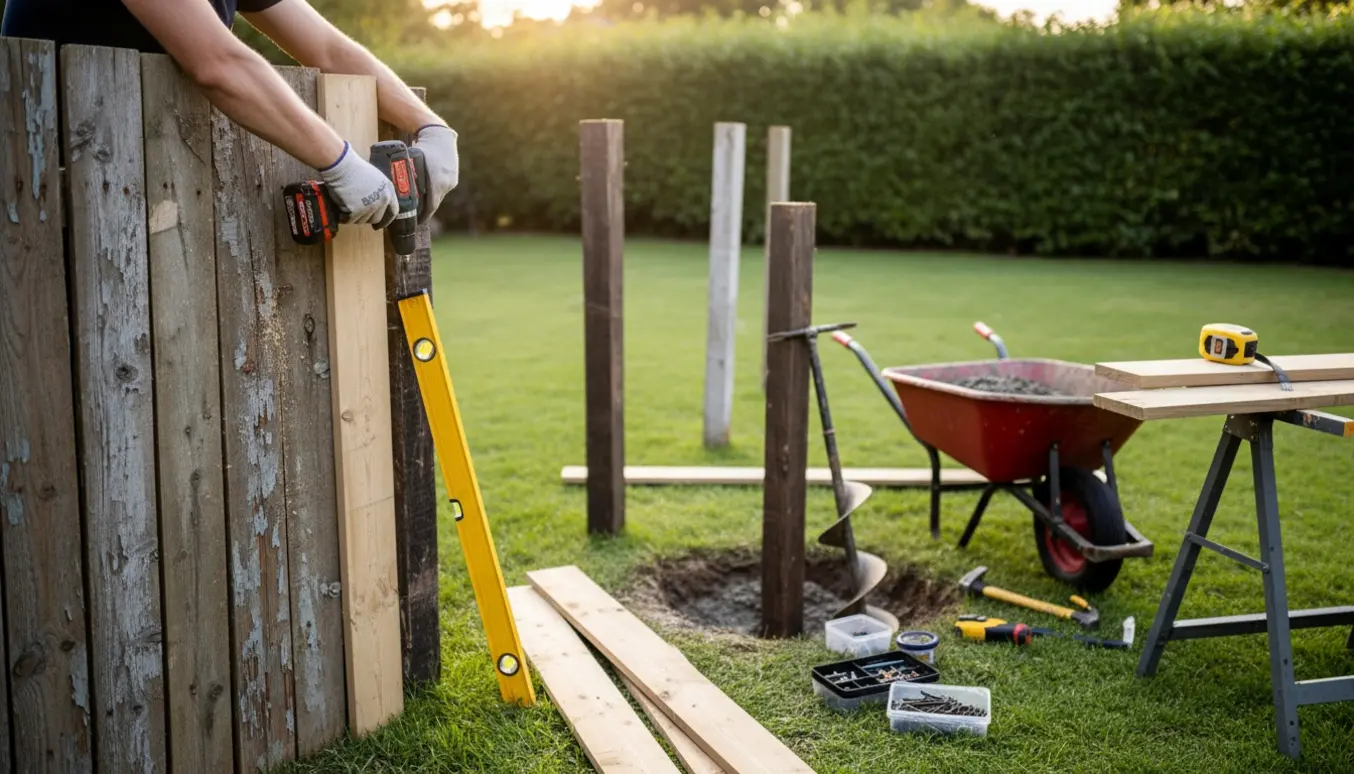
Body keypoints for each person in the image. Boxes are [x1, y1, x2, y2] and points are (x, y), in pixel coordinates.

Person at [1, 0, 457, 230]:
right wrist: (340, 162)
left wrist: (431, 126)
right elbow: (216, 63)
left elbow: (327, 47)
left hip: (140, 199)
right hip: (49, 206)